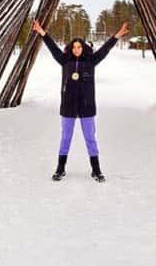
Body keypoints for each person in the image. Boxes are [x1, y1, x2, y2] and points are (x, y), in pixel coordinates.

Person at [32, 19, 129, 182]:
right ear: (71, 48)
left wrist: (117, 36)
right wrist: (42, 32)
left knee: (90, 138)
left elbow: (105, 49)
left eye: (79, 46)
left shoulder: (91, 61)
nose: (77, 49)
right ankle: (60, 168)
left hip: (87, 106)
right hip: (68, 106)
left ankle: (96, 170)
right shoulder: (65, 61)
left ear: (83, 48)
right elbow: (53, 47)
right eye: (74, 47)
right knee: (65, 138)